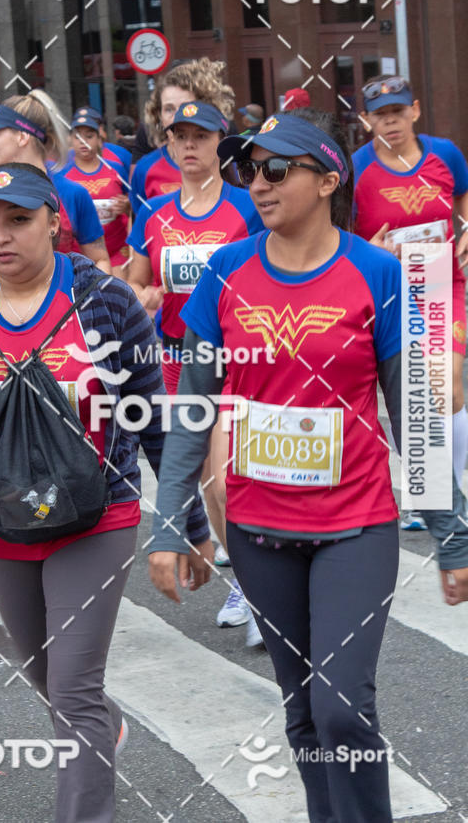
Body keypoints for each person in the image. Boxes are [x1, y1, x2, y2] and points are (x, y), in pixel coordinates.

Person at [148, 108, 468, 823]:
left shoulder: (376, 272)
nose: (255, 184)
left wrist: (454, 535)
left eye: (274, 169)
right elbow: (193, 409)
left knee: (342, 706)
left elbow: (410, 414)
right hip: (258, 528)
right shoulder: (226, 270)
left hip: (357, 525)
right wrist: (173, 524)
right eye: (247, 170)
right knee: (303, 715)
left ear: (328, 179)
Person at [0, 162, 210, 823]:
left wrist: (185, 523)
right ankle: (105, 727)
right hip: (3, 527)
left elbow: (152, 421)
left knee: (72, 690)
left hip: (97, 519)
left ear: (54, 221)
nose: (0, 236)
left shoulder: (106, 300)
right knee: (50, 681)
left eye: (17, 219)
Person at [128, 100, 265, 645]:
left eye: (200, 136)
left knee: (229, 479)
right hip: (172, 357)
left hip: (230, 356)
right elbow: (135, 282)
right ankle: (249, 578)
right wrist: (144, 296)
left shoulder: (244, 206)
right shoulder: (155, 212)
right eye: (178, 135)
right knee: (209, 486)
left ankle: (260, 594)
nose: (188, 145)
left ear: (219, 143)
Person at [353, 76, 468, 530]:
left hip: (441, 280)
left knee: (449, 386)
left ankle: (444, 494)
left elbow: (461, 196)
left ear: (414, 111)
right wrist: (371, 251)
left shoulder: (446, 155)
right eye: (380, 115)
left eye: (397, 113)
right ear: (367, 121)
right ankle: (427, 489)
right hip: (389, 290)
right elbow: (342, 232)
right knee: (411, 396)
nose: (391, 122)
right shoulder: (356, 167)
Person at [0, 93, 111, 293]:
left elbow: (100, 260)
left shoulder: (72, 193)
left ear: (22, 136)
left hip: (61, 313)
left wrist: (94, 308)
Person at [130, 58, 235, 217]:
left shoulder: (229, 166)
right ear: (158, 115)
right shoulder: (145, 169)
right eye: (169, 109)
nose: (177, 117)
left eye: (186, 107)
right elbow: (138, 228)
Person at [61, 110, 131, 278]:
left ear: (100, 140)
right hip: (78, 255)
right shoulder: (62, 173)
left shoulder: (116, 168)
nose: (83, 141)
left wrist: (127, 206)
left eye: (89, 136)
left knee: (118, 299)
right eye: (78, 136)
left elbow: (134, 205)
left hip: (117, 251)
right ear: (70, 140)